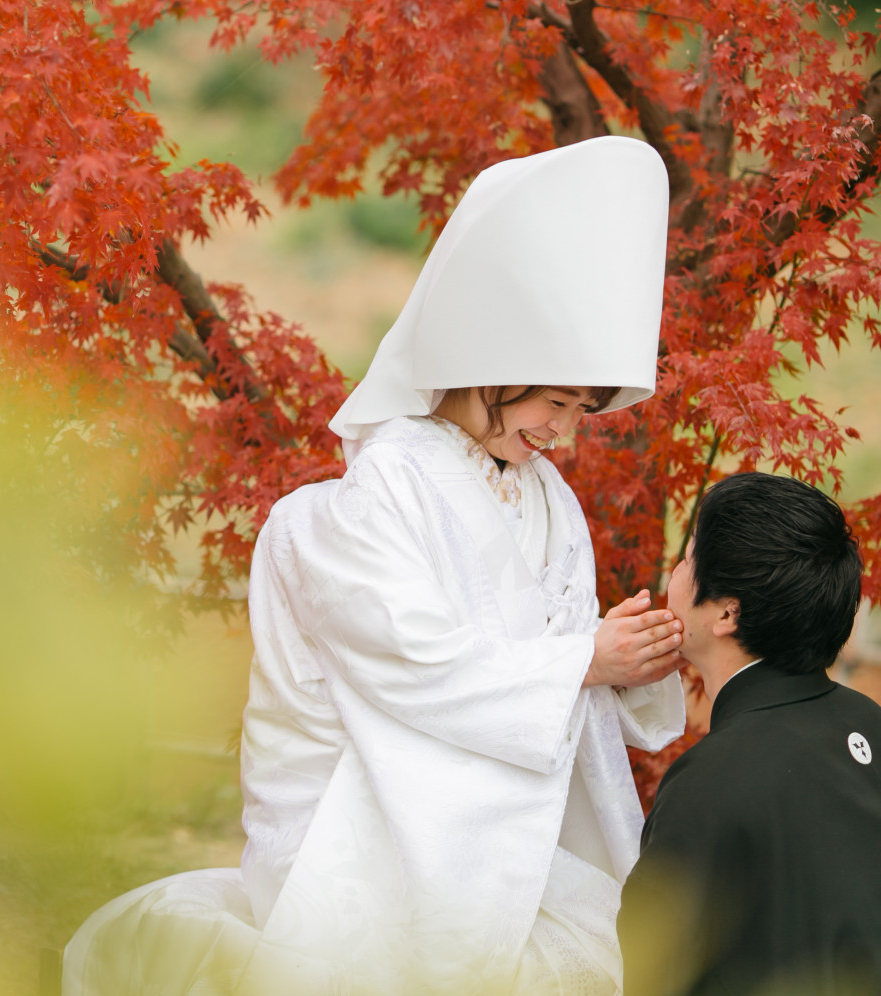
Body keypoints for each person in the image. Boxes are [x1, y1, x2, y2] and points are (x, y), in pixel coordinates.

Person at [64, 136, 687, 996]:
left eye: (582, 412)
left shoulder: (552, 501)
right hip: (362, 825)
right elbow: (412, 663)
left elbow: (563, 664)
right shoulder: (383, 487)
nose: (564, 435)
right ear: (493, 370)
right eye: (556, 404)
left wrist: (626, 655)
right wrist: (585, 659)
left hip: (495, 824)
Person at [618, 472, 881, 996]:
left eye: (689, 558)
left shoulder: (709, 782)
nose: (678, 570)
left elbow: (651, 969)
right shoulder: (867, 722)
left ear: (727, 611)